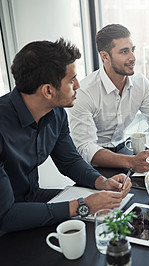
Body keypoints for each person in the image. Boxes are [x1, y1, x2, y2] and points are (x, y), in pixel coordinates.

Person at [0, 39, 132, 236]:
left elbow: (69, 161)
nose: (78, 85)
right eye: (72, 80)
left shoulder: (56, 113)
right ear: (48, 90)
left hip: (32, 199)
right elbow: (6, 216)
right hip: (9, 214)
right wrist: (81, 205)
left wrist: (102, 182)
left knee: (110, 219)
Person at [68, 24, 149, 172]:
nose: (133, 58)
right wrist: (131, 161)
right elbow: (85, 148)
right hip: (96, 163)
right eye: (124, 52)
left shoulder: (140, 83)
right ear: (104, 56)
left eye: (132, 50)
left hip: (124, 151)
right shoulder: (84, 92)